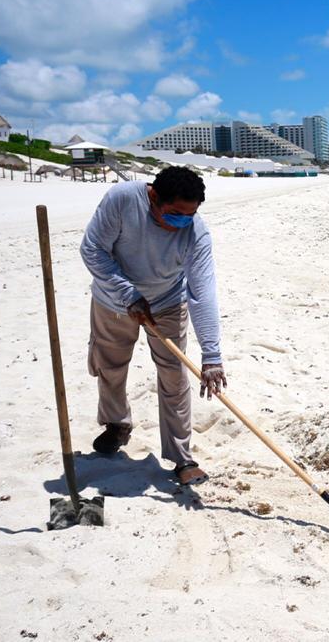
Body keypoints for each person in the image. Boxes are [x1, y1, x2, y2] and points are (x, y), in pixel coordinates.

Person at [79, 165, 227, 486]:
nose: (181, 224)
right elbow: (92, 249)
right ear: (153, 197)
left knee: (174, 375)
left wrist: (212, 357)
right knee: (111, 367)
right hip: (113, 299)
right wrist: (128, 294)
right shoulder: (122, 200)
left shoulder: (195, 232)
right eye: (175, 214)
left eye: (189, 215)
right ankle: (117, 424)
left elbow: (203, 293)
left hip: (167, 301)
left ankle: (182, 457)